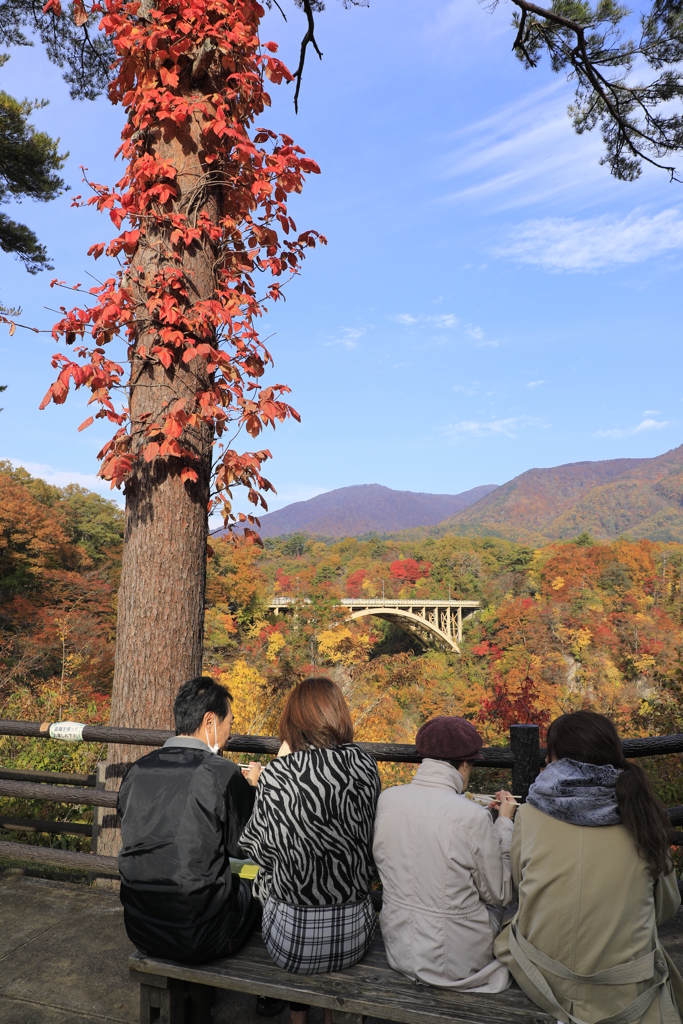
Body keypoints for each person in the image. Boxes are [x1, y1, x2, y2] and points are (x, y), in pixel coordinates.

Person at [494, 710, 683, 1024]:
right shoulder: (642, 815)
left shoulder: (528, 815)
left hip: (540, 976)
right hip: (623, 989)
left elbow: (520, 886)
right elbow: (666, 908)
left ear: (555, 760)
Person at [239, 677, 381, 1024]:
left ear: (293, 721)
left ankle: (295, 1014)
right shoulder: (365, 766)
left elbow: (257, 850)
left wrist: (277, 767)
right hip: (355, 935)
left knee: (261, 878)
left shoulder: (276, 776)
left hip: (292, 943)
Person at [117, 676, 263, 965]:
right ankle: (272, 990)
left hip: (141, 928)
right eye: (229, 724)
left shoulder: (137, 770)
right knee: (259, 887)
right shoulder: (221, 773)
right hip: (202, 933)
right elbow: (245, 848)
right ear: (210, 722)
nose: (229, 735)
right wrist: (254, 791)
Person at [372, 715, 517, 992]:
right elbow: (499, 892)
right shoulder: (472, 816)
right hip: (458, 960)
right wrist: (504, 824)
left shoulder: (388, 800)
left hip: (400, 949)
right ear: (464, 763)